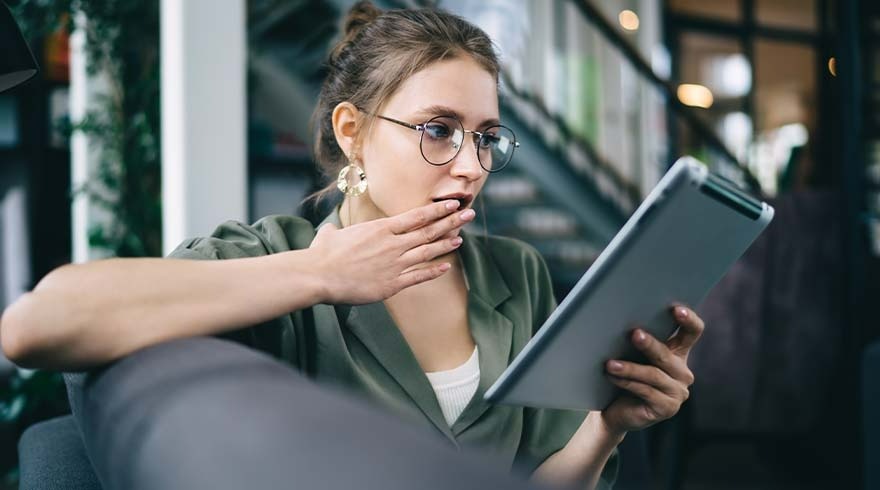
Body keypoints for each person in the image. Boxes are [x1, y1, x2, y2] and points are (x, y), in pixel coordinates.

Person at [0, 2, 703, 489]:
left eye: (486, 137)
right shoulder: (277, 254)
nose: (470, 164)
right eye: (438, 129)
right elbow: (33, 326)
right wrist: (322, 271)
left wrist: (606, 426)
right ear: (351, 131)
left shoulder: (515, 274)